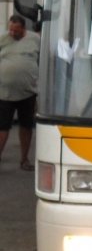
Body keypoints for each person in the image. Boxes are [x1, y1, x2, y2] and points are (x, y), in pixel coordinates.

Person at [0, 15, 40, 171]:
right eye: (10, 29)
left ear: (23, 29)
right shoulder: (3, 38)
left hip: (27, 93)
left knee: (26, 126)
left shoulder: (34, 40)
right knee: (2, 127)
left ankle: (24, 160)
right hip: (4, 93)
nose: (12, 33)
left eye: (15, 31)